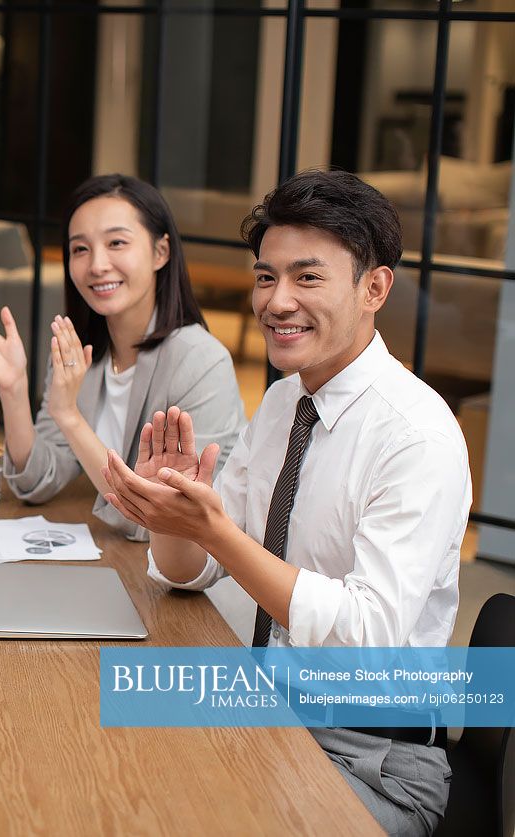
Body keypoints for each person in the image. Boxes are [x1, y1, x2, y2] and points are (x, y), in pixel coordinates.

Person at [103, 169, 468, 835]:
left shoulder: (416, 436)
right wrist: (173, 514)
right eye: (265, 276)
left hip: (369, 754)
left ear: (373, 288)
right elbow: (194, 571)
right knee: (103, 779)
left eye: (305, 277)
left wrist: (218, 531)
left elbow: (368, 639)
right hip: (265, 706)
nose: (275, 300)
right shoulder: (281, 403)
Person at [0, 174, 244, 538]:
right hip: (111, 555)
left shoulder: (200, 362)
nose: (97, 265)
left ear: (160, 252)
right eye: (80, 249)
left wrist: (69, 416)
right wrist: (12, 390)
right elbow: (36, 481)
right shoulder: (81, 351)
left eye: (117, 242)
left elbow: (162, 522)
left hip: (180, 581)